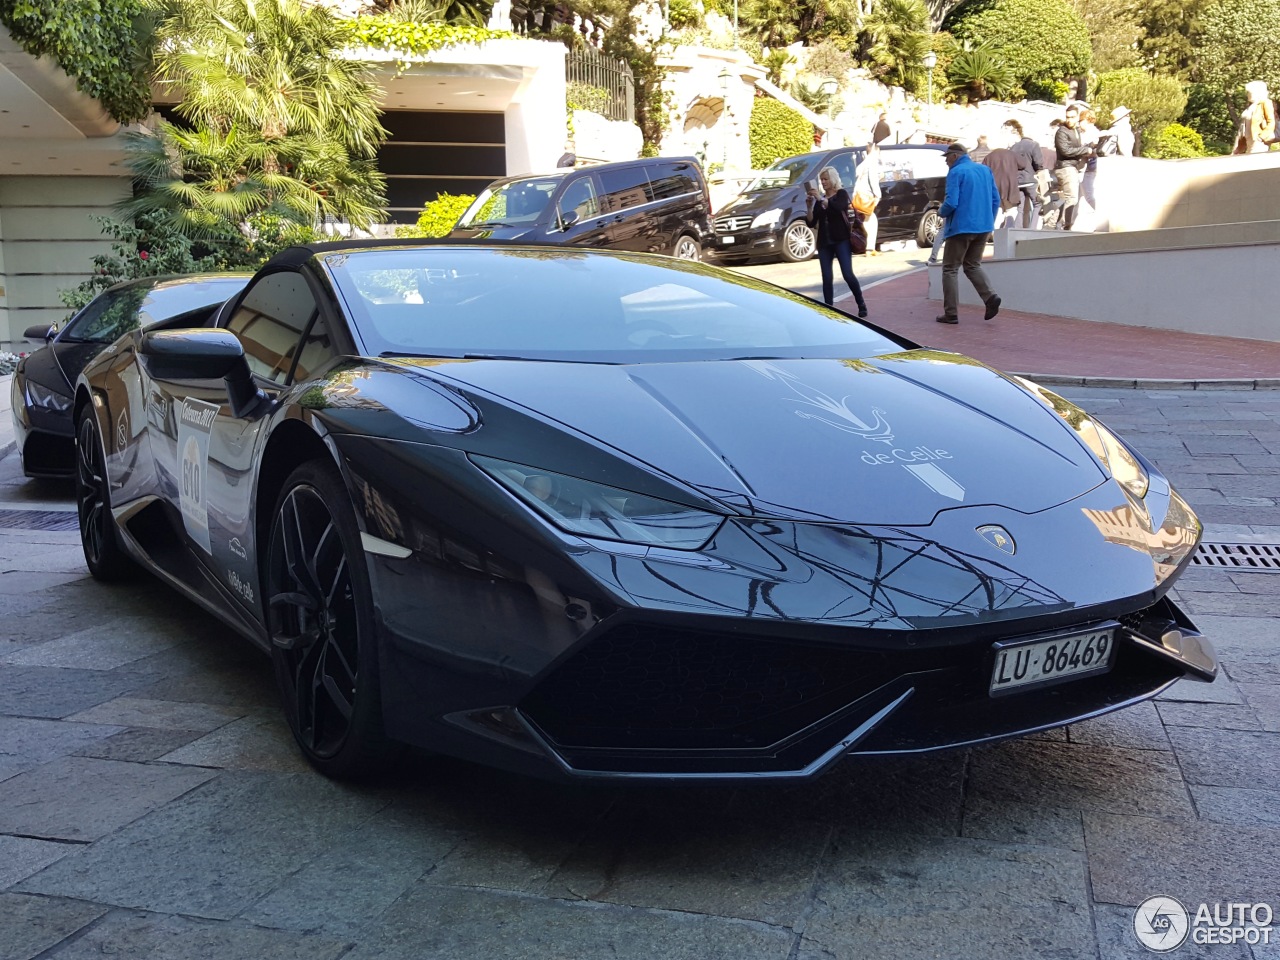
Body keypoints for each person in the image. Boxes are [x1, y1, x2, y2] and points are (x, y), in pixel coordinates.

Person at [935, 142, 1001, 325]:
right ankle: (990, 297)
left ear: (955, 156)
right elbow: (996, 200)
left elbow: (952, 202)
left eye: (947, 157)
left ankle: (951, 313)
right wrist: (989, 220)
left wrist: (940, 212)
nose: (946, 162)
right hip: (984, 227)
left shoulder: (956, 172)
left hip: (961, 228)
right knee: (972, 265)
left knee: (950, 268)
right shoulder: (985, 171)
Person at [805, 166, 868, 317]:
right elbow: (811, 223)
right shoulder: (820, 199)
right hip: (824, 242)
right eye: (821, 180)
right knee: (827, 277)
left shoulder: (841, 194)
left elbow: (838, 207)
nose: (823, 182)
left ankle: (861, 303)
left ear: (832, 179)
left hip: (841, 240)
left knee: (847, 274)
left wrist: (821, 199)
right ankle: (829, 310)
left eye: (826, 179)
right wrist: (809, 207)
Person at [1053, 104, 1091, 230]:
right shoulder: (1062, 132)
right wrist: (1085, 150)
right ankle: (1064, 226)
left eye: (1072, 117)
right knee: (1072, 199)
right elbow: (1066, 151)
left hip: (1071, 167)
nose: (1069, 120)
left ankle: (1054, 224)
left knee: (1068, 199)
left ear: (1077, 117)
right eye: (1067, 117)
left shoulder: (1077, 131)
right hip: (1066, 167)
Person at [1003, 118, 1044, 228]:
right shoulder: (1034, 145)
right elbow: (1039, 163)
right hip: (1031, 180)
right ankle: (1032, 228)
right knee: (1038, 203)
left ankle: (1018, 230)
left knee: (1020, 207)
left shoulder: (1013, 147)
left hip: (1017, 182)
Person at [982, 143, 1026, 230]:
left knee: (997, 209)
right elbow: (1023, 165)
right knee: (1011, 209)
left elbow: (983, 171)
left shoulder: (989, 156)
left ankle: (993, 231)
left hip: (994, 186)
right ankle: (1008, 228)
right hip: (1010, 185)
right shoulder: (1012, 154)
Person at [853, 142, 884, 254]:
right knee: (872, 220)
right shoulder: (872, 162)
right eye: (878, 152)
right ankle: (870, 248)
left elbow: (858, 176)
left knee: (867, 220)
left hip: (859, 195)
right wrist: (878, 195)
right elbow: (873, 180)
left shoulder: (863, 163)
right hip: (866, 195)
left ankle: (869, 247)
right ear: (875, 151)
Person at [1234, 81, 1276, 154]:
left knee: (1255, 160)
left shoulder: (1265, 102)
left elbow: (1271, 121)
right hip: (1247, 139)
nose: (1247, 94)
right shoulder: (1251, 105)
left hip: (1258, 140)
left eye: (1249, 92)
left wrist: (1261, 137)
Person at [1078, 107, 1101, 215]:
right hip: (1087, 165)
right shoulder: (1091, 132)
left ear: (1086, 120)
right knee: (1077, 196)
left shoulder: (1091, 133)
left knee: (1088, 195)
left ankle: (1102, 214)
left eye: (1080, 121)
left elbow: (1089, 149)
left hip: (1089, 166)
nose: (1079, 123)